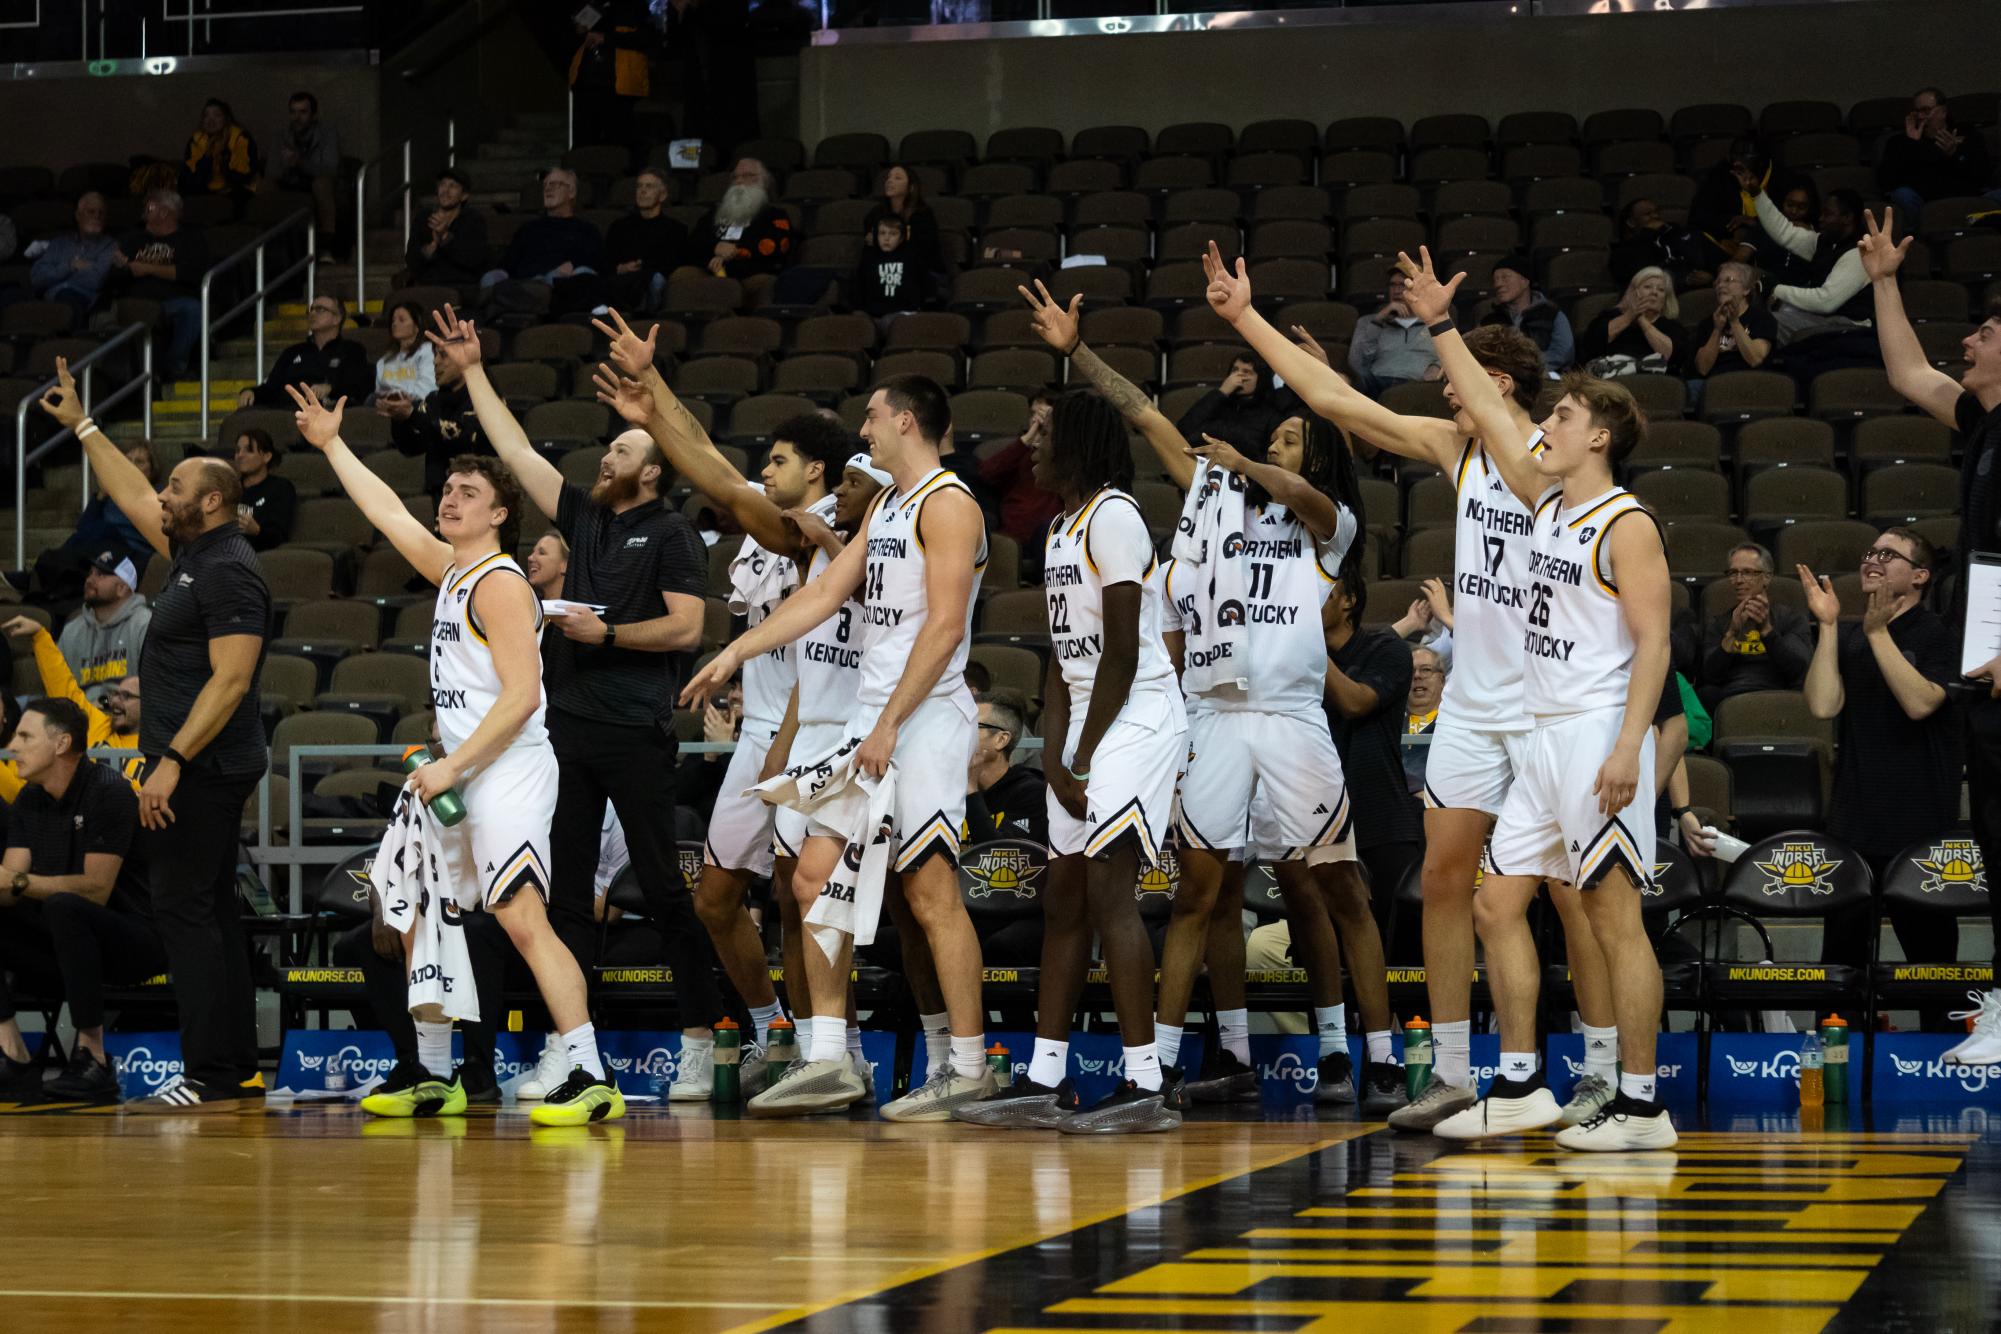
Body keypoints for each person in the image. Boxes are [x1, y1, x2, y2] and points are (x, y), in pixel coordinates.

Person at [1208, 243, 1619, 1134]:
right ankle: (1457, 1074)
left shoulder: (1544, 464)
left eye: (1455, 379)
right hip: (1476, 700)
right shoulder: (1451, 448)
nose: (1440, 392)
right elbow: (1335, 401)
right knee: (1443, 881)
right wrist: (1246, 318)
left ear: (1498, 386)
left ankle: (1596, 1068)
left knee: (1563, 892)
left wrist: (1441, 324)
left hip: (1547, 701)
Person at [1039, 269, 1381, 1104]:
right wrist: (1078, 351)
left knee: (1330, 882)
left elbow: (1301, 490)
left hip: (1293, 717)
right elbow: (1146, 415)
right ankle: (1156, 1067)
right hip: (1212, 715)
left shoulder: (1329, 526)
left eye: (1294, 437)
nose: (1277, 447)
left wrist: (1264, 453)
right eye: (1277, 439)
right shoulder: (1216, 498)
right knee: (1199, 889)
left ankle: (1365, 1059)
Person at [286, 385, 622, 1126]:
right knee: (416, 915)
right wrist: (333, 445)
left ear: (501, 513)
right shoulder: (452, 569)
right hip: (461, 769)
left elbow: (523, 696)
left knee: (520, 916)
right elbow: (385, 513)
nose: (450, 499)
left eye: (468, 492)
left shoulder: (500, 583)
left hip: (505, 767)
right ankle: (433, 1072)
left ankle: (589, 1071)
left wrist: (452, 765)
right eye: (447, 489)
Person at [425, 306, 740, 1094]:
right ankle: (572, 1051)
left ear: (655, 468)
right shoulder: (586, 515)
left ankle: (701, 1038)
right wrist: (472, 373)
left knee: (664, 888)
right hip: (561, 730)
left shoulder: (668, 530)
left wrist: (604, 636)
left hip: (633, 729)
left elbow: (686, 629)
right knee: (562, 898)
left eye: (625, 448)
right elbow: (516, 452)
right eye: (606, 446)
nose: (609, 454)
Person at [1405, 247, 1676, 1152]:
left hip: (1597, 733)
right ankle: (1519, 1085)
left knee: (1609, 915)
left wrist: (1625, 747)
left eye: (1559, 414)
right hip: (1538, 736)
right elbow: (1486, 407)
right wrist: (1440, 326)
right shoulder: (1549, 504)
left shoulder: (1624, 522)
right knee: (1493, 904)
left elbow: (1656, 646)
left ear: (1598, 434)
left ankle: (1641, 1105)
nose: (1544, 424)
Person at [682, 373, 995, 1121]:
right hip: (872, 715)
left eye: (874, 417)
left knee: (927, 892)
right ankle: (829, 1058)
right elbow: (821, 595)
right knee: (811, 880)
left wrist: (887, 723)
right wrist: (736, 654)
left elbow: (945, 627)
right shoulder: (887, 504)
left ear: (908, 423)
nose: (863, 430)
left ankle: (972, 1066)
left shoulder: (949, 505)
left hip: (923, 716)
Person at [591, 314, 858, 1096]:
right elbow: (709, 466)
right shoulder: (762, 532)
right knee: (715, 899)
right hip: (762, 733)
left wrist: (658, 401)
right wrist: (654, 404)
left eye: (775, 460)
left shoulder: (824, 527)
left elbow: (709, 471)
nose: (760, 470)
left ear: (815, 471)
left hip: (808, 731)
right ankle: (775, 1025)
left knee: (794, 895)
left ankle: (820, 1050)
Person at [41, 358, 270, 1113]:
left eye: (175, 486)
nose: (160, 493)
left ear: (210, 501)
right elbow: (131, 492)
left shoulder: (231, 569)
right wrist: (83, 425)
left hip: (202, 765)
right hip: (195, 763)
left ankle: (210, 1071)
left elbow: (231, 680)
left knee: (182, 909)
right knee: (209, 911)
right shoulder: (193, 554)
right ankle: (234, 1066)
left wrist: (169, 761)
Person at [955, 390, 1187, 1134]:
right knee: (1061, 899)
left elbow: (1122, 651)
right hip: (1085, 723)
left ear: (1079, 441)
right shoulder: (1059, 528)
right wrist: (1052, 755)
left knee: (1108, 892)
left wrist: (1083, 754)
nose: (1028, 441)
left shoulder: (1115, 515)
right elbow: (1062, 663)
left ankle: (1144, 1080)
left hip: (1138, 715)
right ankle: (1044, 1073)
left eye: (1042, 430)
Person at [1861, 207, 2001, 1063]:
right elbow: (1908, 369)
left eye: (1987, 330)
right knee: (1991, 837)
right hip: (1984, 666)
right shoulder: (1984, 424)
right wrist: (1883, 281)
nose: (1971, 338)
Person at [1801, 529, 1961, 981]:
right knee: (1840, 970)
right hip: (1854, 826)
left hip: (1920, 830)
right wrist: (1830, 627)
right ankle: (1836, 1051)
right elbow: (1821, 705)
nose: (1873, 559)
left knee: (1933, 971)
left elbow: (1920, 703)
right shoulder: (1852, 634)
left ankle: (1944, 1051)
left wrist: (1876, 635)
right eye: (1871, 551)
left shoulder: (1939, 634)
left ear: (1919, 576)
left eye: (1889, 555)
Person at [0, 698, 164, 1103]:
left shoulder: (109, 793)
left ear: (61, 744)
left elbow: (97, 890)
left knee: (66, 906)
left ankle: (94, 1059)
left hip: (132, 943)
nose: (13, 746)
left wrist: (16, 881)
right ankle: (11, 1053)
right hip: (63, 946)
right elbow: (8, 885)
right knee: (55, 909)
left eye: (25, 736)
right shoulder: (28, 799)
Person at [1323, 566, 1424, 973]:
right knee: (1331, 957)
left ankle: (1411, 1039)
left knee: (1400, 959)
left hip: (1383, 821)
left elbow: (1356, 702)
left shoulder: (1388, 650)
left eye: (1322, 592)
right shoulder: (1294, 657)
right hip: (1321, 821)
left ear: (1349, 601)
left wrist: (1306, 646)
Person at [2, 616, 144, 786]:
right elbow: (63, 685)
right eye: (115, 694)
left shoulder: (158, 748)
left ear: (148, 704)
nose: (114, 701)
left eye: (126, 696)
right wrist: (39, 637)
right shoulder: (97, 723)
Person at [1698, 542, 1810, 709]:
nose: (1738, 580)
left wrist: (1767, 632)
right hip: (1730, 697)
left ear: (1767, 577)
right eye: (1733, 573)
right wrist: (1731, 633)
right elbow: (1709, 676)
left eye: (1748, 572)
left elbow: (1798, 671)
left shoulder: (1790, 619)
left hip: (1780, 695)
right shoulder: (1719, 623)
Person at [111, 190, 208, 380]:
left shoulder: (190, 239)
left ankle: (172, 368)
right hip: (137, 301)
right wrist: (119, 265)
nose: (145, 209)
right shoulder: (133, 239)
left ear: (164, 211)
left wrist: (147, 268)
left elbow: (191, 272)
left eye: (151, 206)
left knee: (194, 310)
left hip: (174, 300)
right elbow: (117, 273)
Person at [382, 342, 491, 504]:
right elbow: (411, 448)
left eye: (443, 355)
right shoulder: (433, 400)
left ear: (466, 360)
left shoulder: (487, 399)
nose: (435, 361)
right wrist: (400, 420)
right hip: (441, 495)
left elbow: (462, 437)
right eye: (435, 355)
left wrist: (412, 416)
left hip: (479, 496)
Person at [1880, 88, 1999, 221]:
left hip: (1966, 195)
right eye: (1916, 112)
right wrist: (1912, 144)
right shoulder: (1899, 142)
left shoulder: (1968, 135)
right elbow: (1889, 181)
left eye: (1926, 110)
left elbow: (1981, 175)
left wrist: (1955, 155)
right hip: (1924, 199)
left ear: (1943, 112)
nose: (1920, 117)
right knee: (1903, 195)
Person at [239, 293, 372, 410]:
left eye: (320, 309)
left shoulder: (352, 350)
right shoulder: (293, 352)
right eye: (311, 310)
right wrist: (252, 392)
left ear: (337, 318)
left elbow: (359, 387)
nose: (313, 313)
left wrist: (331, 389)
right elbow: (271, 387)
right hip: (287, 409)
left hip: (327, 411)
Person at [54, 551, 150, 710]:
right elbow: (58, 688)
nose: (90, 579)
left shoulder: (144, 625)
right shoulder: (72, 631)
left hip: (127, 721)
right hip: (79, 722)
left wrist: (104, 706)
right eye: (90, 573)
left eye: (101, 575)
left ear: (122, 588)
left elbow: (152, 691)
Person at [480, 169, 603, 293]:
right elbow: (507, 264)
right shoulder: (528, 228)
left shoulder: (586, 230)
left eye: (554, 184)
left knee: (577, 276)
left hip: (559, 286)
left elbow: (596, 261)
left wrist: (573, 265)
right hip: (524, 284)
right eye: (545, 185)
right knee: (489, 278)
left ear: (571, 192)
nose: (548, 188)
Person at [962, 688, 1048, 846]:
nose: (959, 732)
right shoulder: (947, 788)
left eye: (972, 725)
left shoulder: (1031, 793)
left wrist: (971, 791)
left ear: (1001, 740)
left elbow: (1001, 857)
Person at [976, 392, 1061, 549]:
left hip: (1050, 536)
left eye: (1044, 414)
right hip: (1013, 536)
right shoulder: (1018, 451)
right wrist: (1029, 437)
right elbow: (986, 473)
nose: (1038, 419)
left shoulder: (1063, 455)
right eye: (1033, 414)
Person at [600, 168, 689, 315]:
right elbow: (606, 259)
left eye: (649, 186)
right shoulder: (619, 227)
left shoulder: (676, 229)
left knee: (657, 280)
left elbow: (673, 262)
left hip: (650, 281)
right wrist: (621, 268)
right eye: (639, 186)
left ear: (663, 195)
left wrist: (643, 267)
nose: (642, 190)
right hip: (622, 281)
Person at [568, 0, 652, 155]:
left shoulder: (634, 7)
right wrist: (580, 30)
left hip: (618, 88)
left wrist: (606, 38)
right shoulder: (590, 6)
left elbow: (647, 37)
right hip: (586, 86)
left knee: (619, 143)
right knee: (584, 142)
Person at [691, 159, 794, 281]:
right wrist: (715, 247)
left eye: (748, 175)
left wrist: (731, 253)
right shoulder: (715, 214)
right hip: (711, 270)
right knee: (683, 275)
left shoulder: (775, 215)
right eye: (735, 177)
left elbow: (775, 245)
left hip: (752, 273)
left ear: (764, 182)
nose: (739, 181)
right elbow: (695, 239)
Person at [1578, 267, 1690, 378]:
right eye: (1647, 287)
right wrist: (1630, 315)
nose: (1654, 292)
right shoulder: (1609, 317)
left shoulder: (1673, 327)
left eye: (1661, 290)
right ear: (1632, 293)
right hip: (1612, 383)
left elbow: (1673, 357)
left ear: (1665, 299)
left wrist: (1642, 320)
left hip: (1654, 385)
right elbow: (1593, 343)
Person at [28, 192, 118, 325]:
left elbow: (95, 281)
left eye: (101, 213)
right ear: (78, 216)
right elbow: (37, 278)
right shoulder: (59, 243)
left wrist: (56, 277)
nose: (97, 216)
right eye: (91, 212)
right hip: (50, 301)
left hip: (84, 302)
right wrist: (70, 266)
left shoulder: (110, 245)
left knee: (66, 297)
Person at [1347, 268, 1437, 396]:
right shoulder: (1368, 322)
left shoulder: (1434, 323)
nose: (1396, 290)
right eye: (1392, 285)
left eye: (1403, 285)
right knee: (1347, 380)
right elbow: (1356, 363)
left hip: (1417, 386)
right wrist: (1377, 321)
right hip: (1377, 384)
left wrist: (1437, 367)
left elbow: (1451, 357)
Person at [272, 91, 340, 257]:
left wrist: (300, 162)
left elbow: (330, 169)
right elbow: (272, 172)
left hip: (316, 182)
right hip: (290, 182)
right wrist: (285, 165)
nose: (297, 117)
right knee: (265, 186)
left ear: (314, 115)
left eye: (303, 112)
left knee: (322, 184)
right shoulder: (281, 135)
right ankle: (270, 244)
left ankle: (326, 246)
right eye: (293, 112)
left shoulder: (327, 134)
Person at [1480, 255, 1573, 374]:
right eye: (1495, 280)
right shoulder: (1490, 320)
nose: (1498, 284)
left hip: (1546, 377)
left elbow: (1562, 353)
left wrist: (1526, 367)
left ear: (1525, 281)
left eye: (1505, 277)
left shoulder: (1552, 314)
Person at [403, 168, 490, 290]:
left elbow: (474, 260)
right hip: (427, 286)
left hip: (461, 286)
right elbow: (411, 259)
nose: (446, 190)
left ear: (464, 196)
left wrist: (445, 237)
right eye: (442, 185)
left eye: (453, 186)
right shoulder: (423, 218)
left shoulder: (473, 220)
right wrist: (431, 248)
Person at [1692, 261, 1777, 380]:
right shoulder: (1707, 323)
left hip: (1751, 383)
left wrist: (1734, 322)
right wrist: (1717, 330)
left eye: (1728, 280)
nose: (1720, 285)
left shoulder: (1762, 318)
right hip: (1715, 386)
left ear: (1746, 289)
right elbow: (1703, 369)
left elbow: (1755, 359)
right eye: (1718, 282)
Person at [851, 214, 933, 325]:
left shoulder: (912, 258)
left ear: (901, 238)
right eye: (882, 233)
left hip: (904, 312)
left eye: (893, 234)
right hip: (873, 313)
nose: (886, 238)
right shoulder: (869, 259)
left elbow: (924, 284)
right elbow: (860, 287)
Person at [1610, 198, 1709, 290]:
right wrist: (1647, 233)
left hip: (1693, 289)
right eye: (1647, 214)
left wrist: (1709, 276)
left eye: (1656, 212)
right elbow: (1642, 276)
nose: (1656, 216)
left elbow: (1696, 261)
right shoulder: (1622, 251)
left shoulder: (1673, 236)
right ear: (1631, 222)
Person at [862, 164, 941, 278]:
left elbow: (924, 249)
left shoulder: (922, 214)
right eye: (888, 177)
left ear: (911, 187)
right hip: (883, 268)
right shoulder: (876, 213)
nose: (889, 181)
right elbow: (870, 244)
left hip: (918, 271)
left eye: (897, 178)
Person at [179, 98, 258, 209]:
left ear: (226, 119)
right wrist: (208, 158)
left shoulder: (239, 138)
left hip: (236, 190)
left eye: (217, 115)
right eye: (206, 116)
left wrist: (223, 158)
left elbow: (243, 175)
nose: (211, 120)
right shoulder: (197, 140)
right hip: (207, 190)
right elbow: (191, 175)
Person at [373, 301, 437, 405]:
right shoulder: (385, 359)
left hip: (418, 404)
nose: (394, 324)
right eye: (393, 320)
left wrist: (399, 395)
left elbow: (428, 388)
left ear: (417, 326)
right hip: (388, 403)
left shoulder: (427, 351)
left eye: (401, 320)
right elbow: (379, 391)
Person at [1403, 644, 1445, 797]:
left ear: (1442, 680)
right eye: (1411, 671)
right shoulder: (1389, 726)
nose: (1417, 676)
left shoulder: (1455, 725)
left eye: (1426, 669)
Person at [525, 532, 569, 599]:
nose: (530, 558)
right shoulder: (529, 605)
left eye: (542, 553)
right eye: (533, 552)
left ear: (565, 565)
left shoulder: (583, 608)